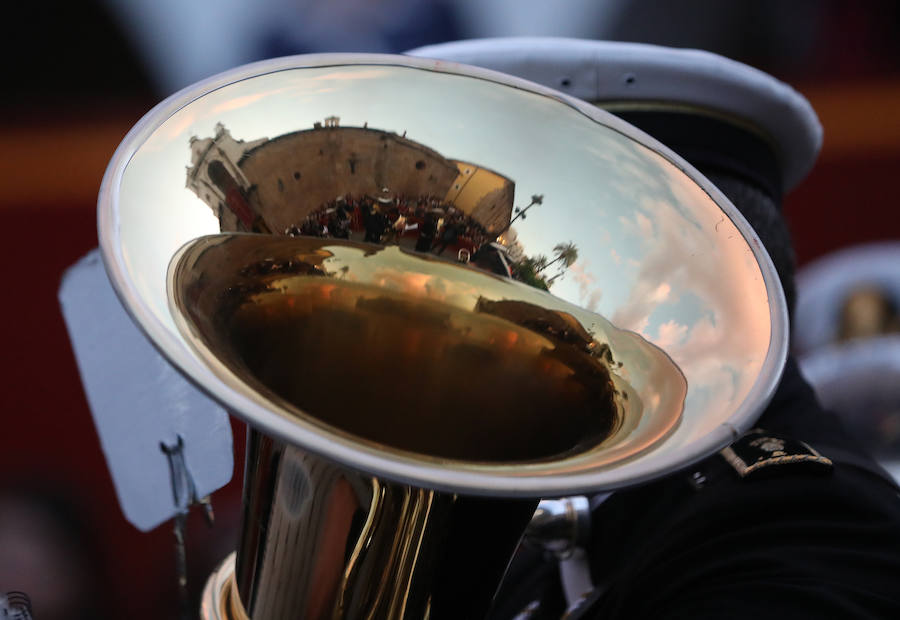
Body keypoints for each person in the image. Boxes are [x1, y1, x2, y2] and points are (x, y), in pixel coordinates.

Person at [408, 39, 900, 618]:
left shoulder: (811, 524)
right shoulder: (586, 514)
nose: (468, 309)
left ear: (682, 285)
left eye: (505, 266)